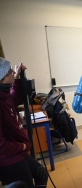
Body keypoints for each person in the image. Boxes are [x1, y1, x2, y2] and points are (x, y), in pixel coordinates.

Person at [0, 57, 48, 188]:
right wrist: (22, 146)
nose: (13, 73)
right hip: (7, 159)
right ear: (2, 77)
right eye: (10, 72)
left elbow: (15, 98)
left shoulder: (4, 96)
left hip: (16, 153)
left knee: (42, 173)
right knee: (26, 185)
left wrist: (16, 79)